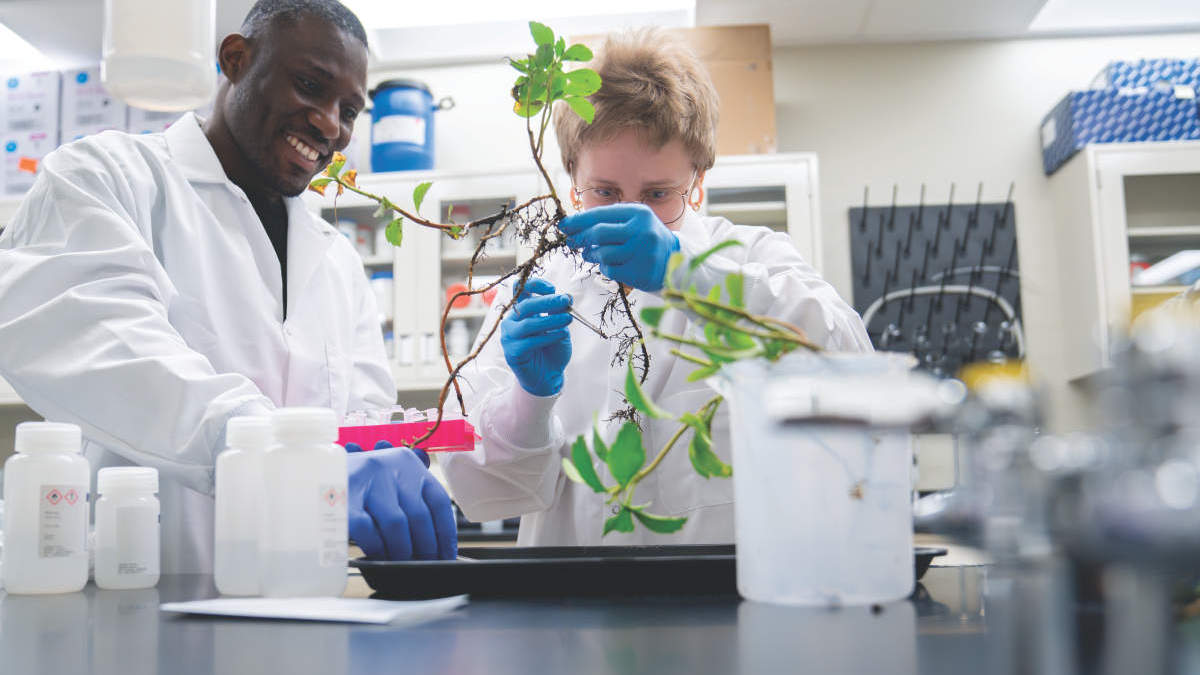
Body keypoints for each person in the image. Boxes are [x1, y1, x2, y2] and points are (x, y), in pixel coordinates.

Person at [0, 0, 455, 572]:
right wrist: (291, 462)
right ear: (236, 59)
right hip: (135, 595)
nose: (329, 126)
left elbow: (362, 418)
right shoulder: (105, 177)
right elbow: (102, 346)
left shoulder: (338, 261)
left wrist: (389, 459)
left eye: (348, 111)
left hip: (301, 597)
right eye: (310, 85)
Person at [441, 29, 873, 545]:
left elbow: (852, 364)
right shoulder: (534, 290)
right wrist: (529, 400)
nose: (630, 214)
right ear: (572, 179)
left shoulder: (753, 258)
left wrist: (685, 273)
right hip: (570, 591)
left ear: (698, 182)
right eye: (604, 192)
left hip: (719, 590)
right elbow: (481, 492)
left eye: (658, 194)